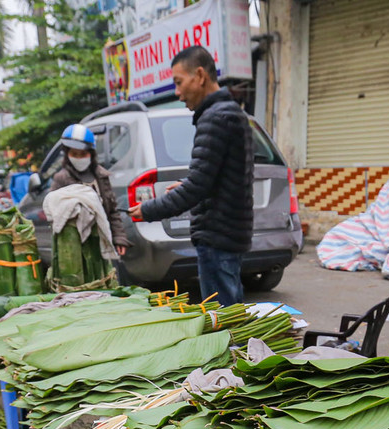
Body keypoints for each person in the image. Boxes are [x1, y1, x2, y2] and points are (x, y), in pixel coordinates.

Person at [128, 45, 253, 306]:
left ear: (199, 75)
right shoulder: (229, 113)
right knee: (230, 313)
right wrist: (187, 184)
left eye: (179, 82)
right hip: (227, 234)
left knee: (224, 321)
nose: (177, 92)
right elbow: (214, 178)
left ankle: (236, 347)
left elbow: (197, 187)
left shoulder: (216, 118)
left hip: (218, 236)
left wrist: (148, 210)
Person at [48, 123, 128, 257]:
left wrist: (119, 238)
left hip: (102, 242)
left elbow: (112, 211)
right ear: (67, 155)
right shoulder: (61, 179)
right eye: (74, 154)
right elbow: (53, 213)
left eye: (83, 154)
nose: (79, 158)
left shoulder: (101, 176)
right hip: (74, 248)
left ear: (91, 154)